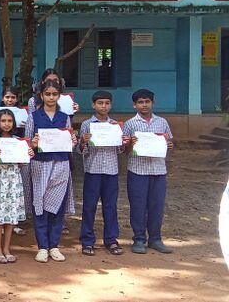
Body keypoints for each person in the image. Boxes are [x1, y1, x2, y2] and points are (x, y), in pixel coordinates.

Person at [26, 80, 77, 263]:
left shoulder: (64, 117)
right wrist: (32, 143)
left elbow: (71, 141)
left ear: (59, 96)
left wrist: (72, 141)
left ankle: (54, 245)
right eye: (48, 94)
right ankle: (42, 246)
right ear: (41, 95)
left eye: (54, 94)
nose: (51, 97)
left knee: (57, 205)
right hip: (40, 164)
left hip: (61, 163)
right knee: (39, 204)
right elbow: (27, 142)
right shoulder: (34, 116)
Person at [123, 89, 174, 254]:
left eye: (147, 101)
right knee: (138, 206)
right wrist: (130, 143)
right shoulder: (130, 124)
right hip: (137, 171)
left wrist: (169, 145)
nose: (144, 105)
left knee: (157, 206)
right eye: (140, 102)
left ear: (153, 103)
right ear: (134, 105)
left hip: (158, 170)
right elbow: (125, 150)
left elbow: (169, 142)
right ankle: (138, 239)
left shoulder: (162, 122)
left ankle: (155, 239)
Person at [78, 91, 129, 257]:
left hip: (111, 171)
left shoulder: (116, 125)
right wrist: (83, 142)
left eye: (107, 103)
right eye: (100, 103)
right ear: (93, 105)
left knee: (110, 207)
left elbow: (120, 150)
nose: (104, 106)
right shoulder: (87, 125)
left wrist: (123, 143)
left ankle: (111, 240)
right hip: (93, 171)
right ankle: (87, 241)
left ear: (111, 105)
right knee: (89, 207)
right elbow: (82, 151)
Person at [0, 110, 33, 264]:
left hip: (13, 180)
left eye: (10, 121)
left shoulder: (19, 140)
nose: (6, 124)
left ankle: (7, 248)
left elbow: (22, 163)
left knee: (11, 216)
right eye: (3, 120)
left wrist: (28, 155)